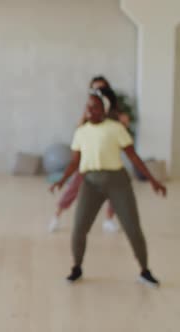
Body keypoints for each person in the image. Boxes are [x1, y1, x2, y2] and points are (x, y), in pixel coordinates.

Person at [50, 87, 166, 287]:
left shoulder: (115, 128)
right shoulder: (81, 132)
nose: (89, 111)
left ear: (103, 110)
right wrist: (61, 180)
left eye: (94, 107)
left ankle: (145, 271)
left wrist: (153, 180)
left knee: (132, 228)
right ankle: (76, 268)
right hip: (91, 183)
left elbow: (133, 157)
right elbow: (74, 162)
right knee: (79, 228)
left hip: (117, 182)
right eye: (88, 107)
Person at [48, 76, 120, 233]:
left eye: (101, 89)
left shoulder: (113, 112)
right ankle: (57, 216)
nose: (98, 92)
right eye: (95, 89)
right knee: (74, 188)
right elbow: (80, 128)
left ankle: (109, 220)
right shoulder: (90, 109)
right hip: (88, 159)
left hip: (108, 159)